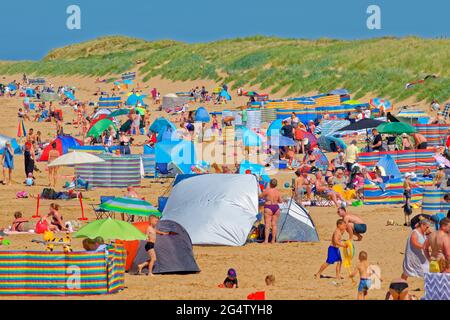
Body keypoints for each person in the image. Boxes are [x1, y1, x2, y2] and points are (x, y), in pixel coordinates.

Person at [260, 179, 282, 244]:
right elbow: (280, 201)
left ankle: (266, 240)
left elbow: (260, 196)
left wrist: (265, 198)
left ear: (270, 184)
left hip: (268, 207)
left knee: (267, 225)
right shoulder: (278, 192)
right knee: (274, 225)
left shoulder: (267, 191)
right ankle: (273, 240)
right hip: (276, 207)